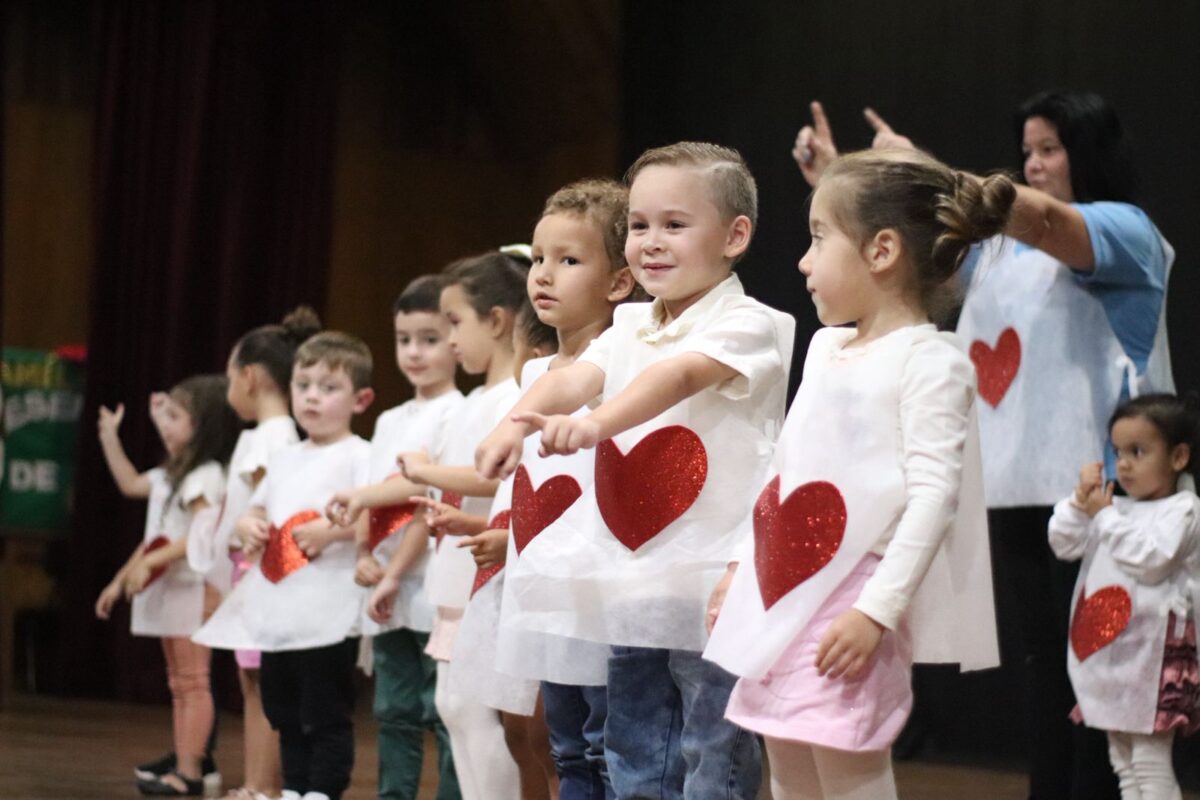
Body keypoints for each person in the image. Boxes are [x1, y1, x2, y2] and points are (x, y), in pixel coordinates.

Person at [792, 92, 1174, 798]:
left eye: (1050, 148)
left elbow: (1043, 217)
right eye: (1027, 150)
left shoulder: (1125, 230)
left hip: (1102, 495)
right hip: (1012, 484)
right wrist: (849, 183)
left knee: (1103, 665)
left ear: (1090, 152)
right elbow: (905, 257)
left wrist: (911, 167)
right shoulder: (994, 253)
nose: (1033, 162)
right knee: (1048, 664)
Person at [478, 142, 795, 799]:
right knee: (632, 754)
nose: (651, 242)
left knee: (714, 756)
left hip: (714, 585)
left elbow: (677, 374)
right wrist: (514, 422)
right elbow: (575, 378)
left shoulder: (752, 323)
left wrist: (596, 424)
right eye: (641, 226)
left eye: (674, 226)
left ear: (736, 235)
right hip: (635, 583)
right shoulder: (628, 325)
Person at [706, 148, 1007, 799]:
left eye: (818, 238)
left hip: (852, 591)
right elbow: (783, 468)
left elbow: (933, 499)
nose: (803, 261)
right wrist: (738, 565)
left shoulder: (931, 360)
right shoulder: (825, 347)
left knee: (846, 761)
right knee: (782, 754)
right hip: (782, 579)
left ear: (883, 251)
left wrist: (877, 610)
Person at [486, 179, 637, 800]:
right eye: (540, 258)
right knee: (563, 744)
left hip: (601, 583)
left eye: (569, 261)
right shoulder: (532, 369)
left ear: (620, 282)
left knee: (606, 743)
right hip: (546, 576)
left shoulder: (625, 357)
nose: (544, 275)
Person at [193, 332, 375, 800]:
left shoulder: (361, 456)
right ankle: (293, 786)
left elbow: (377, 519)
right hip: (279, 608)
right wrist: (250, 525)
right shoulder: (285, 459)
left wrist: (329, 533)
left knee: (326, 706)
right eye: (304, 384)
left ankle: (323, 788)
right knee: (282, 706)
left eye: (328, 387)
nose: (312, 396)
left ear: (361, 399)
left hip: (327, 612)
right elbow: (255, 511)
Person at [387, 253, 527, 800]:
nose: (448, 342)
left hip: (486, 572)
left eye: (453, 324)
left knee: (475, 709)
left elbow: (496, 476)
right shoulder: (472, 401)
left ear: (495, 321)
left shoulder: (517, 396)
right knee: (451, 706)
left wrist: (425, 469)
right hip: (455, 570)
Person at [325, 276, 464, 800]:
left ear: (455, 337)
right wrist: (364, 554)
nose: (414, 352)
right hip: (385, 582)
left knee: (442, 709)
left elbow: (426, 497)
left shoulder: (457, 411)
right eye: (404, 339)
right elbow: (373, 492)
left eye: (428, 339)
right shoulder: (388, 419)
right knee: (394, 710)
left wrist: (394, 571)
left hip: (428, 580)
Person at [186, 307, 318, 800]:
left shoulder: (274, 439)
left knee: (264, 688)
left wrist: (253, 573)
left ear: (248, 377)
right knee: (253, 685)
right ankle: (257, 782)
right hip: (250, 572)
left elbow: (272, 513)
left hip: (261, 573)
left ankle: (265, 785)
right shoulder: (262, 437)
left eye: (228, 377)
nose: (227, 388)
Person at [95, 376, 241, 796]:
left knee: (193, 681)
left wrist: (151, 562)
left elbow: (201, 533)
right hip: (175, 588)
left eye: (175, 417)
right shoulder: (172, 473)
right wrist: (120, 578)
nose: (164, 424)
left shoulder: (206, 476)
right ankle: (184, 763)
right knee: (181, 683)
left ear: (203, 425)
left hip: (195, 587)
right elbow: (144, 512)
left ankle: (192, 772)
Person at [1049, 393, 1200, 800]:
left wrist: (1104, 514)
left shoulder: (1184, 511)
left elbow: (1151, 558)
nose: (1125, 464)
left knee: (1150, 765)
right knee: (1124, 765)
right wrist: (1079, 505)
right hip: (1110, 658)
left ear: (1178, 457)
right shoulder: (1115, 509)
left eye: (1138, 451)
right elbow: (1064, 543)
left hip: (1152, 663)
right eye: (1118, 452)